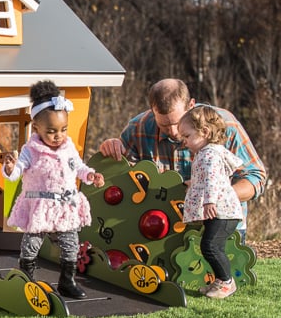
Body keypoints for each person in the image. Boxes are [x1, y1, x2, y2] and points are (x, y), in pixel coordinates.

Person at [98, 78, 266, 244]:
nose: (172, 131)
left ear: (191, 105)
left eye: (177, 122)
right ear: (152, 111)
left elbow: (256, 177)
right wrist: (112, 148)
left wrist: (215, 194)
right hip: (163, 229)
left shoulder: (224, 125)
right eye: (163, 125)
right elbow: (123, 178)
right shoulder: (138, 128)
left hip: (219, 225)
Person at [2, 80, 105, 299]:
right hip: (39, 207)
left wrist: (90, 175)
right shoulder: (31, 150)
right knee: (31, 246)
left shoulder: (68, 148)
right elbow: (17, 171)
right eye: (51, 131)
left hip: (64, 207)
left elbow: (79, 167)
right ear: (36, 127)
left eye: (63, 129)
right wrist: (11, 168)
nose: (58, 135)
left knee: (70, 246)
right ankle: (26, 281)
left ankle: (67, 282)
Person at [179, 106, 243, 298]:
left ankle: (226, 283)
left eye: (187, 136)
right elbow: (210, 177)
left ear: (204, 132)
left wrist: (209, 202)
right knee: (213, 246)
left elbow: (212, 180)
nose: (184, 141)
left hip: (222, 212)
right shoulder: (206, 153)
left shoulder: (209, 154)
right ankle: (220, 281)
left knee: (210, 246)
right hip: (222, 210)